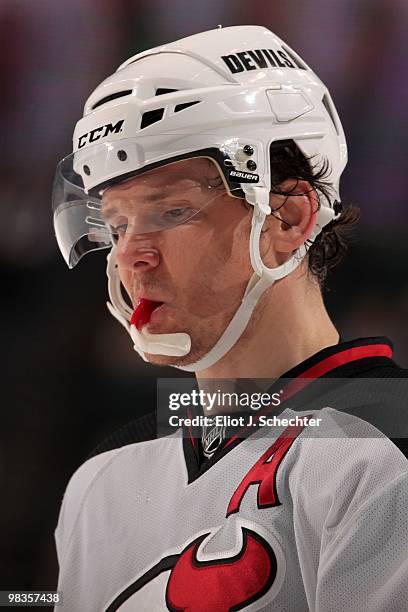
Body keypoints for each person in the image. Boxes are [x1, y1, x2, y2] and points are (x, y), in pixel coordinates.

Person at [52, 25, 408, 611]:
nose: (130, 255)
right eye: (117, 225)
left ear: (289, 218)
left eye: (171, 210)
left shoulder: (382, 447)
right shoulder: (102, 475)